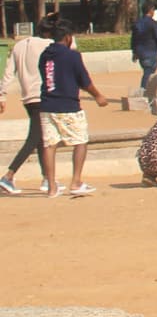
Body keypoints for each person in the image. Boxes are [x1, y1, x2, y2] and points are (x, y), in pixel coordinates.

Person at [37, 20, 111, 198]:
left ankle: (51, 186)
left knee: (49, 144)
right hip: (68, 105)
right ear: (68, 37)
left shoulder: (45, 55)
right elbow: (84, 81)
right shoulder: (73, 56)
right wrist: (98, 96)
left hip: (47, 105)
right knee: (80, 141)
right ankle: (76, 181)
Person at [0, 18, 54, 194]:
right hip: (42, 96)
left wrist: (2, 95)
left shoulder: (19, 46)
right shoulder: (49, 44)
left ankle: (47, 178)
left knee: (41, 138)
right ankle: (9, 175)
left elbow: (8, 73)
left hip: (28, 98)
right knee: (35, 138)